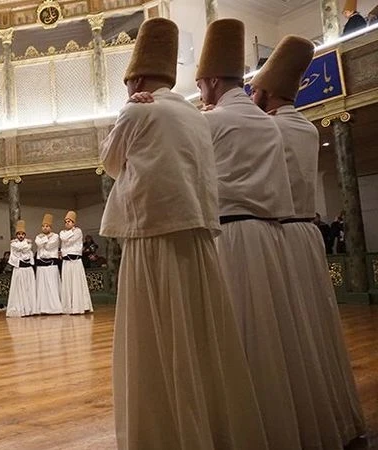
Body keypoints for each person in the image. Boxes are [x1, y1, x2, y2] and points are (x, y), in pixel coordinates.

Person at [104, 18, 268, 450]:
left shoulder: (137, 109)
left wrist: (127, 110)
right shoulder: (196, 116)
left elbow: (111, 161)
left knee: (155, 339)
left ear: (137, 79)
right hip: (197, 239)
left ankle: (166, 433)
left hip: (152, 237)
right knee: (200, 338)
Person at [197, 19, 340, 449]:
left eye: (257, 88)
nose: (252, 93)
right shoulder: (304, 129)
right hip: (298, 234)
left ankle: (253, 422)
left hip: (244, 237)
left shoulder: (238, 123)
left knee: (251, 338)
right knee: (301, 337)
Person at [251, 35, 366, 444]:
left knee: (285, 332)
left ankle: (291, 416)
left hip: (280, 233)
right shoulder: (304, 126)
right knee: (313, 327)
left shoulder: (268, 127)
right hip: (307, 234)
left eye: (255, 90)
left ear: (266, 92)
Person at [59, 211, 93, 315]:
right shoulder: (62, 232)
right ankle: (69, 307)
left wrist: (69, 235)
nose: (67, 223)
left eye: (69, 221)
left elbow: (71, 240)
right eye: (66, 221)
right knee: (68, 284)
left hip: (76, 261)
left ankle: (81, 306)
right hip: (66, 262)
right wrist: (69, 234)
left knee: (77, 283)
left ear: (73, 223)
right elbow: (64, 238)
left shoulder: (78, 231)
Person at [6, 220, 37, 317]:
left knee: (29, 289)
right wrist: (27, 243)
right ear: (16, 235)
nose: (20, 236)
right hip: (19, 269)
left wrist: (28, 244)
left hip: (28, 270)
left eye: (22, 234)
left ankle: (30, 309)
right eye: (19, 234)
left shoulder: (28, 243)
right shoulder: (14, 244)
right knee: (19, 289)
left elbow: (27, 249)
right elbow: (20, 248)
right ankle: (21, 308)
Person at [34, 214, 63, 315]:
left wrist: (44, 241)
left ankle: (54, 307)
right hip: (41, 265)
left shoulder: (55, 236)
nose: (45, 228)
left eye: (47, 226)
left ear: (50, 227)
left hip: (51, 264)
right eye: (43, 226)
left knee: (52, 286)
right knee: (41, 287)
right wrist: (45, 239)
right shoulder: (38, 236)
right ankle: (42, 307)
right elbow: (38, 244)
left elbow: (49, 246)